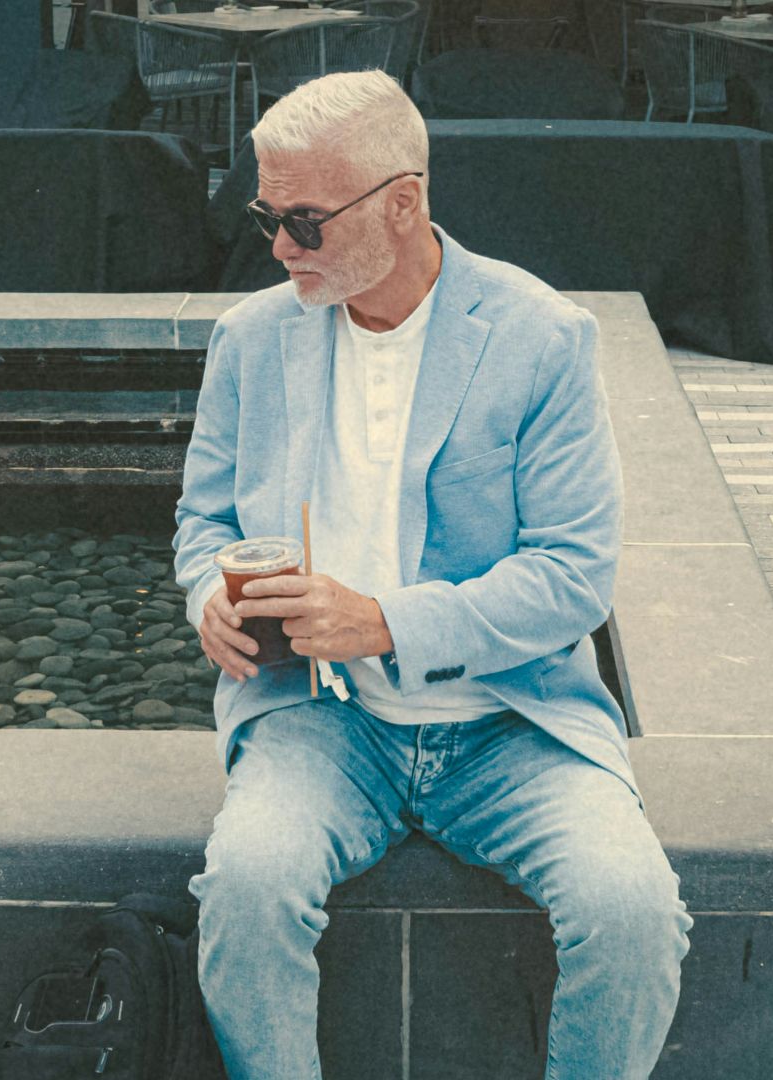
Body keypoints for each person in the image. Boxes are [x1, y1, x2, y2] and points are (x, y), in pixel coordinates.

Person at [172, 69, 693, 1080]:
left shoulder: (541, 338)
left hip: (513, 724)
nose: (278, 248)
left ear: (401, 203)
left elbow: (573, 576)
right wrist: (210, 600)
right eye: (265, 216)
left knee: (632, 915)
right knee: (245, 890)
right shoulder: (250, 341)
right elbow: (207, 522)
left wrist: (386, 622)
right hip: (318, 718)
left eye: (305, 223)